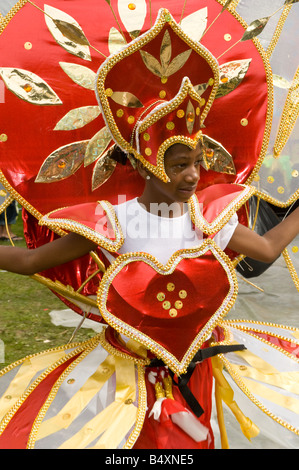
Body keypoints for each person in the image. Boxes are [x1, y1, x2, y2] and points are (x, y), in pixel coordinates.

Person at [0, 9, 298, 450]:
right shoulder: (114, 222)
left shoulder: (207, 215)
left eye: (197, 163)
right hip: (128, 377)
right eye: (179, 166)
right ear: (144, 165)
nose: (194, 176)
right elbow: (29, 260)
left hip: (198, 369)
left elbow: (267, 248)